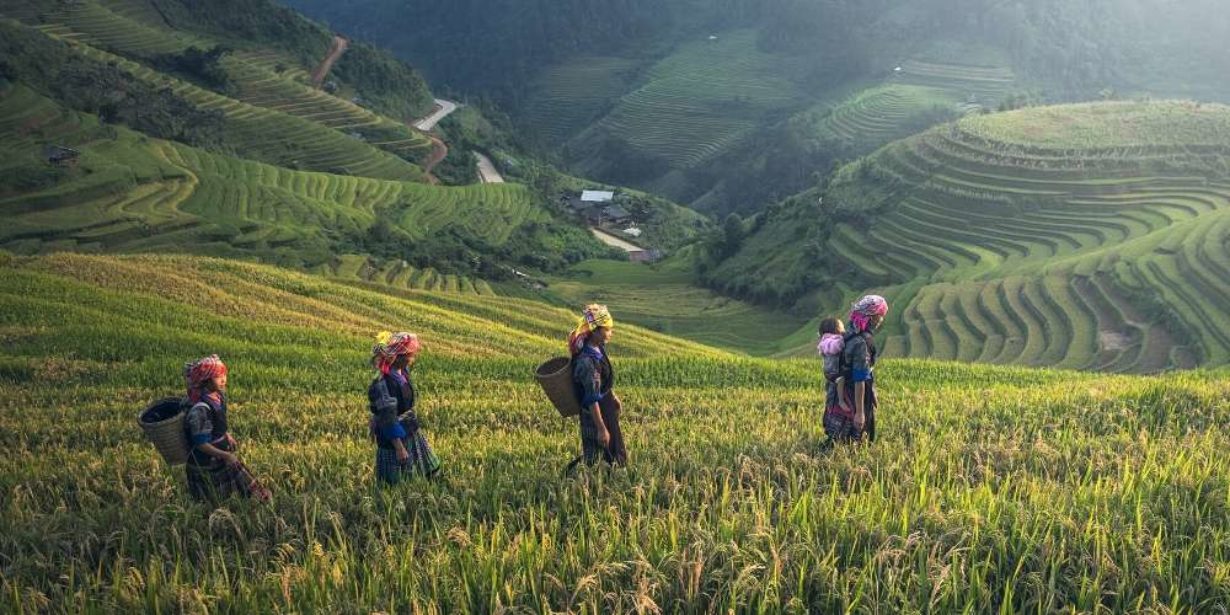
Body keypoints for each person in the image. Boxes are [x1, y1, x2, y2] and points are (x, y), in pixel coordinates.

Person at [183, 355, 271, 503]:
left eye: (224, 375)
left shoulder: (218, 396)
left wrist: (226, 435)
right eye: (218, 376)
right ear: (206, 381)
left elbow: (217, 424)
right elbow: (201, 443)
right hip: (206, 460)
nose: (223, 379)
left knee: (236, 478)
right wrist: (225, 455)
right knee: (213, 496)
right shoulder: (200, 409)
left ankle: (257, 497)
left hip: (220, 451)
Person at [369, 331, 441, 484]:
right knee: (395, 481)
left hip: (410, 428)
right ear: (398, 358)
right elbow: (387, 418)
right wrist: (399, 448)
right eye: (410, 356)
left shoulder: (402, 372)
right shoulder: (383, 383)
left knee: (430, 470)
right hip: (393, 436)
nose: (412, 359)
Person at [823, 295, 889, 444]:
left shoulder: (849, 334)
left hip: (840, 392)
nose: (881, 320)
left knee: (837, 437)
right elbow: (860, 378)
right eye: (880, 316)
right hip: (853, 395)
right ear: (872, 317)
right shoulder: (862, 342)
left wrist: (872, 391)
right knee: (854, 440)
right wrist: (860, 413)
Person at [569, 304, 626, 467]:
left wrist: (612, 396)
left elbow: (602, 382)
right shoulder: (587, 361)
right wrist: (601, 428)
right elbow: (591, 398)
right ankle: (585, 484)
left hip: (605, 406)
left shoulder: (598, 348)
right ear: (595, 331)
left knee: (614, 452)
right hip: (594, 414)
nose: (610, 333)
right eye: (607, 329)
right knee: (596, 454)